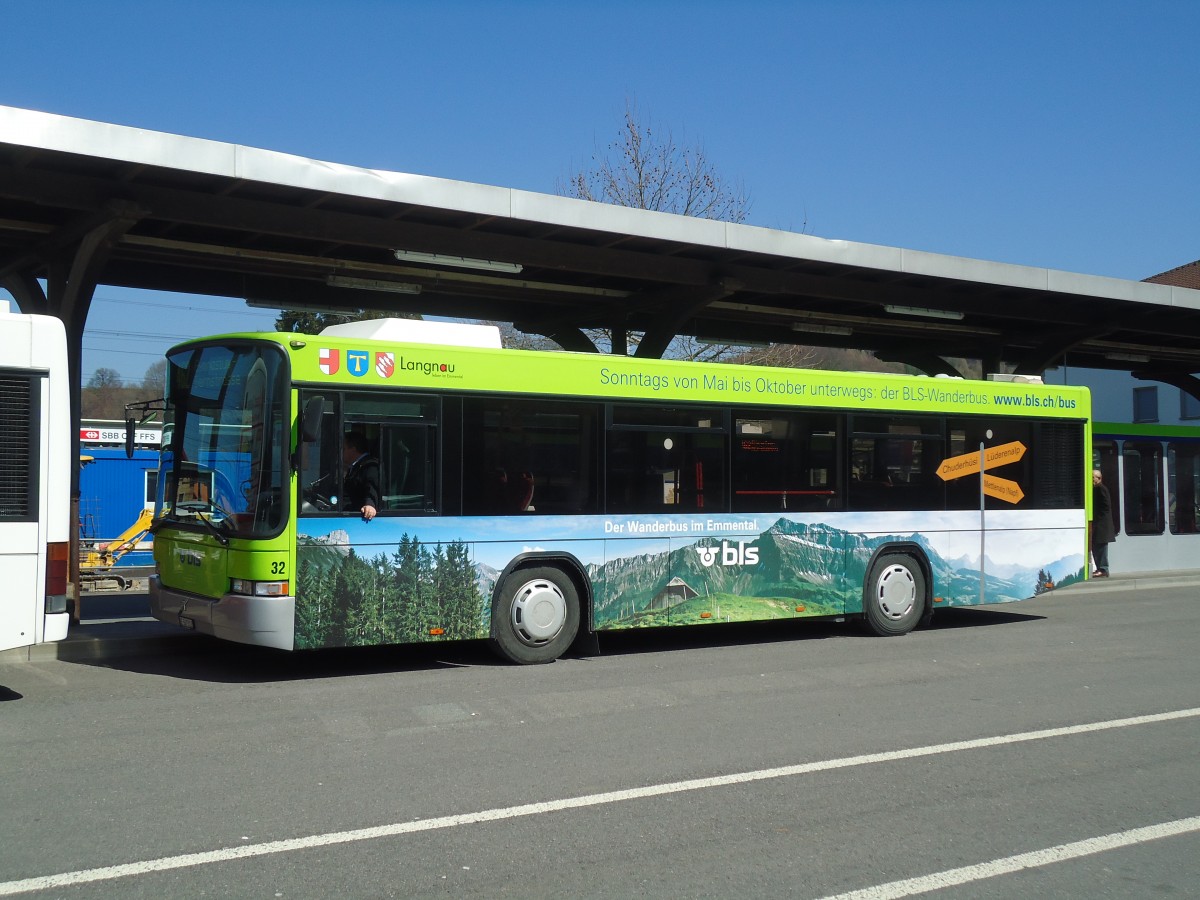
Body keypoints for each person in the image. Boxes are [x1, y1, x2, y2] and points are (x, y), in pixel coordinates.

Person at [342, 431, 380, 521]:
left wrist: (370, 504)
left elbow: (372, 486)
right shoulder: (355, 466)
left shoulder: (370, 466)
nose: (341, 452)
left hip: (358, 516)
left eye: (343, 449)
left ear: (353, 449)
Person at [1091, 468, 1115, 577]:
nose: (1092, 479)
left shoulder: (1101, 488)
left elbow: (1106, 506)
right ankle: (1100, 568)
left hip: (1102, 524)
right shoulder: (1097, 488)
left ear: (1099, 478)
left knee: (1101, 547)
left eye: (1093, 477)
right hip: (1100, 524)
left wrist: (1097, 517)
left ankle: (1103, 569)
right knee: (1097, 546)